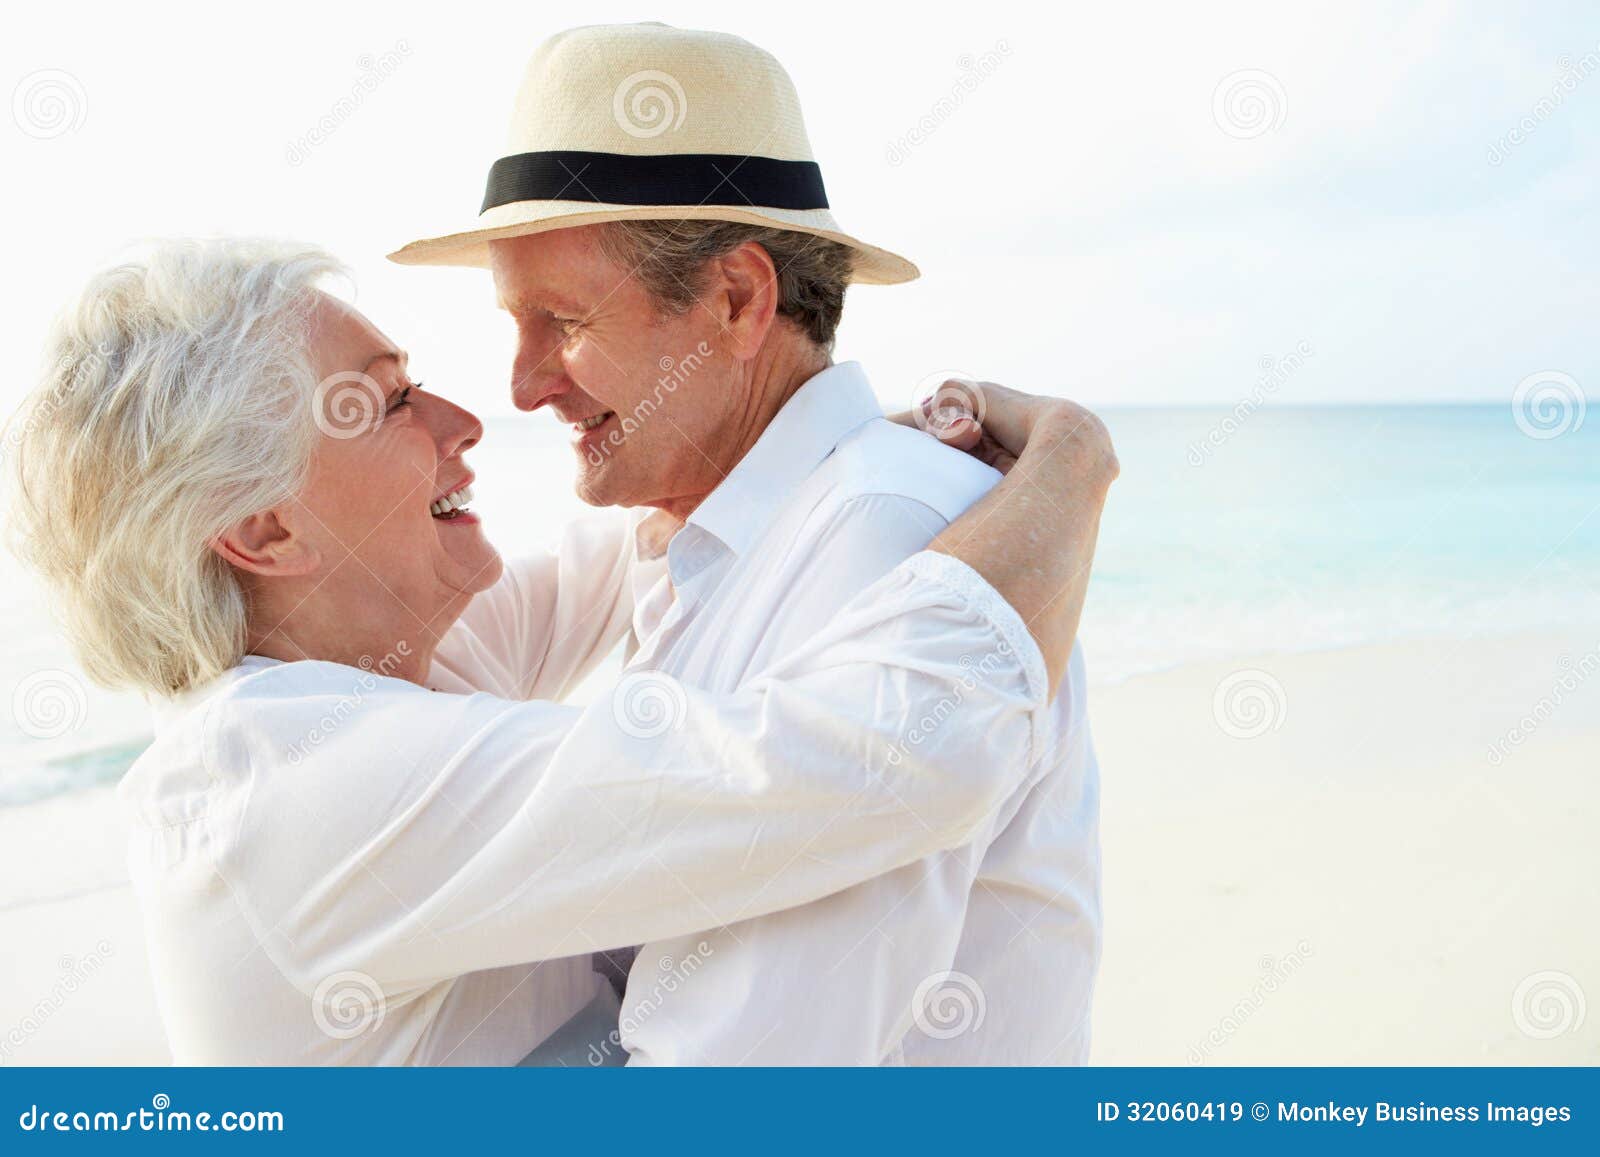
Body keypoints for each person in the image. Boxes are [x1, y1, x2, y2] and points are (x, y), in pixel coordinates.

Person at [4, 237, 1117, 1064]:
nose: (469, 415)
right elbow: (872, 760)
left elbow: (651, 534)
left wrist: (803, 439)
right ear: (266, 531)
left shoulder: (371, 660)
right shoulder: (294, 779)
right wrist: (1068, 465)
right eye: (389, 401)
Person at [389, 22, 1108, 1063]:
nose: (523, 383)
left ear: (735, 298)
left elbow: (740, 1068)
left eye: (561, 318)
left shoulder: (886, 530)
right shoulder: (716, 532)